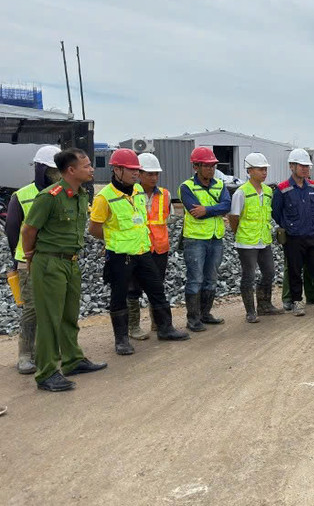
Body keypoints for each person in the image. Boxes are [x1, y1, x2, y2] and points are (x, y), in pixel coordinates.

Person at [20, 148, 107, 392]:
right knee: (49, 319)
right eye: (87, 165)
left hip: (71, 261)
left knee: (69, 315)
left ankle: (73, 360)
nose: (91, 169)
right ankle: (46, 372)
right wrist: (30, 257)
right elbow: (28, 231)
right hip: (50, 262)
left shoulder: (80, 195)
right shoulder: (50, 196)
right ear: (71, 170)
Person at [89, 149, 190, 355]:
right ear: (117, 169)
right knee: (120, 296)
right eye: (131, 170)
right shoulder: (104, 197)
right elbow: (94, 228)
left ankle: (165, 328)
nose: (136, 173)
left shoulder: (137, 192)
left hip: (143, 251)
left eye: (137, 170)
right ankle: (122, 340)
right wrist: (115, 240)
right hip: (120, 255)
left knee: (157, 290)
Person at [5, 145, 61, 374]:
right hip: (29, 261)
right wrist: (17, 261)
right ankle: (25, 354)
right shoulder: (22, 195)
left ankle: (46, 350)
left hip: (57, 259)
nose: (57, 175)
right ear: (40, 169)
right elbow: (12, 231)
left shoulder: (63, 193)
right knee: (32, 308)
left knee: (54, 306)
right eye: (52, 170)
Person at [272, 149, 314, 315]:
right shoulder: (282, 189)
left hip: (312, 235)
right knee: (294, 270)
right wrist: (290, 225)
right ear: (291, 166)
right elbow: (276, 213)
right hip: (293, 237)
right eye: (302, 165)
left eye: (307, 166)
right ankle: (296, 302)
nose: (305, 169)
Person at [179, 147, 231, 331]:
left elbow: (227, 205)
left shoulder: (219, 184)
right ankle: (193, 319)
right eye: (207, 165)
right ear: (196, 166)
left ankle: (205, 314)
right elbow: (196, 213)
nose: (211, 169)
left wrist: (207, 209)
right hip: (195, 240)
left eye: (213, 165)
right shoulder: (186, 187)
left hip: (216, 238)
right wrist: (215, 209)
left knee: (211, 278)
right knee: (195, 279)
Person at [228, 153, 283, 323]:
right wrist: (240, 233)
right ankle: (250, 311)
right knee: (249, 276)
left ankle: (264, 305)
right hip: (246, 242)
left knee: (269, 272)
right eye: (260, 169)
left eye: (265, 169)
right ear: (250, 170)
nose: (264, 173)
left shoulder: (267, 192)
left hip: (263, 240)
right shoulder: (241, 193)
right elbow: (233, 217)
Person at [125, 152, 173, 339]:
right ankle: (134, 327)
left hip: (159, 248)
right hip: (138, 248)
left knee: (157, 287)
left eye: (156, 174)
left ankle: (157, 323)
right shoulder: (130, 195)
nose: (153, 177)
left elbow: (165, 218)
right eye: (149, 174)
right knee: (133, 288)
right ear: (139, 173)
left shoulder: (165, 195)